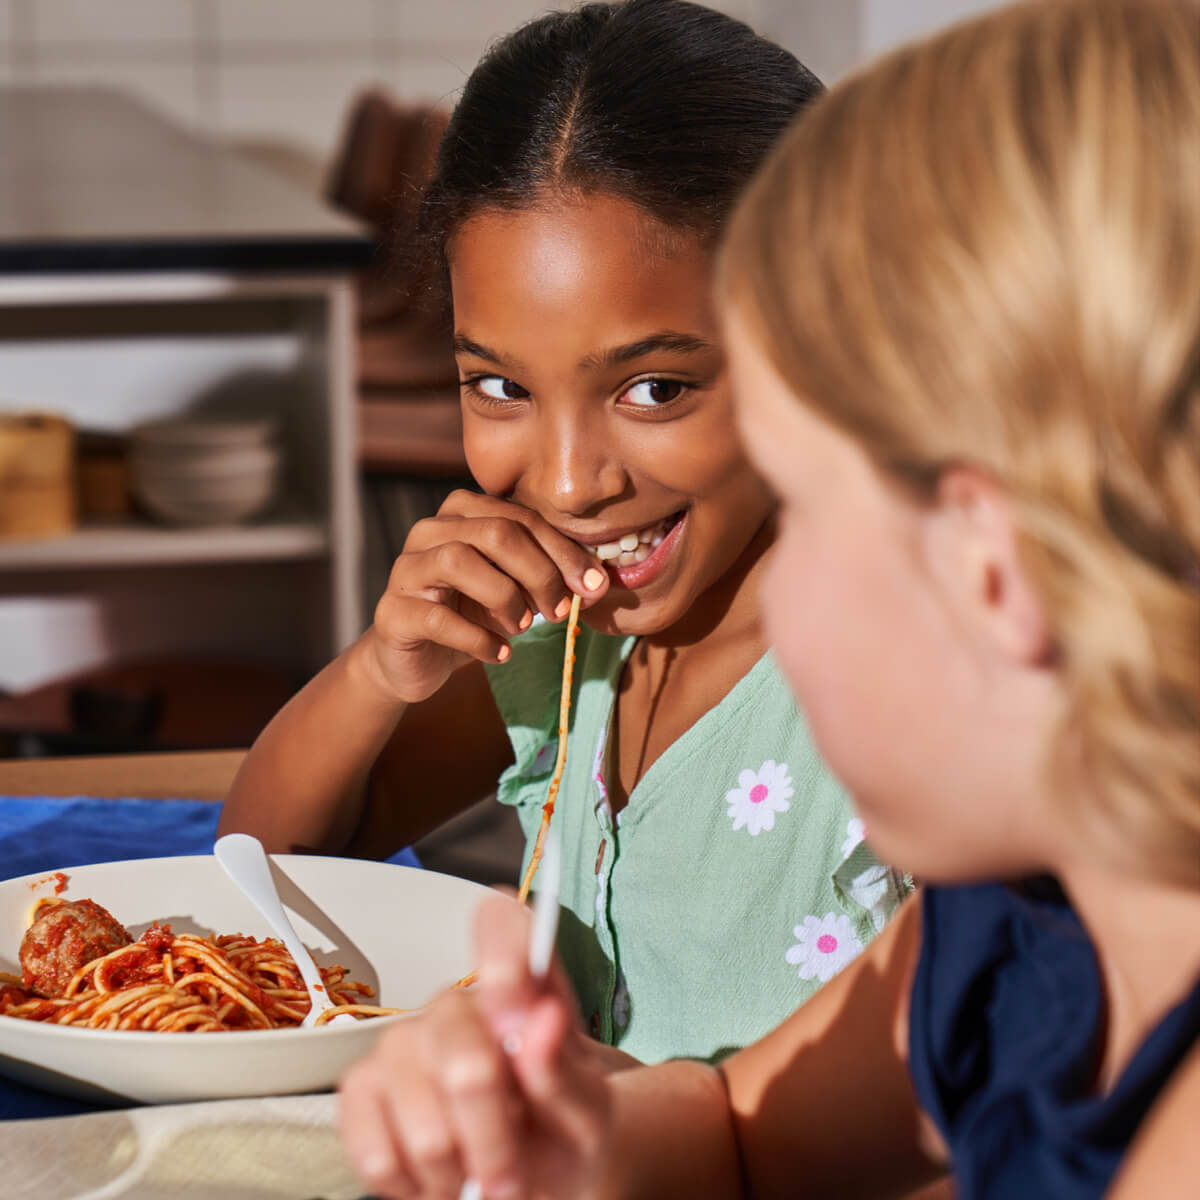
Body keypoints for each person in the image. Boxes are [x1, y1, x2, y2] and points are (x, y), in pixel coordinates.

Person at [336, 0, 1200, 1196]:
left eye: (807, 504)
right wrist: (576, 1132)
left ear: (991, 571)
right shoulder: (1013, 920)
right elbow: (739, 1132)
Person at [218, 0, 908, 1068]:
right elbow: (269, 865)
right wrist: (378, 670)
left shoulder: (905, 695)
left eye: (656, 387)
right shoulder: (565, 636)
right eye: (498, 385)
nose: (569, 482)